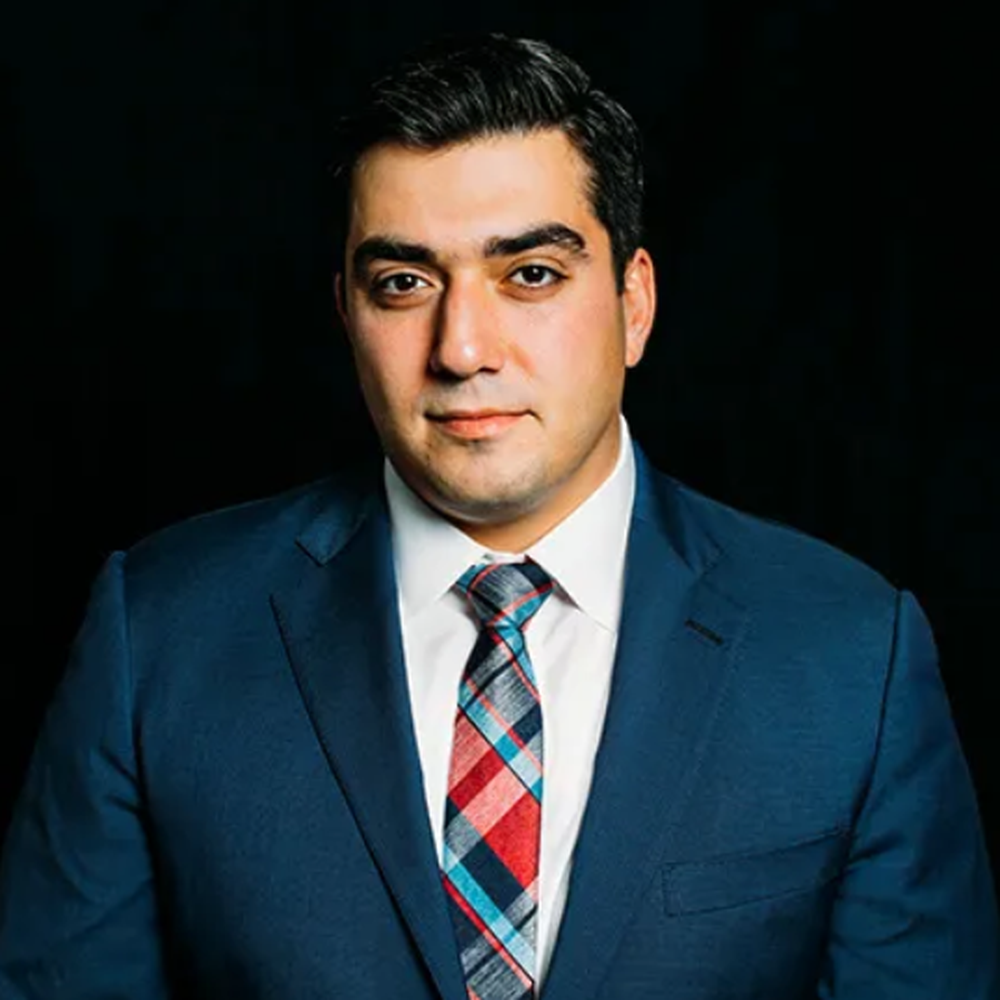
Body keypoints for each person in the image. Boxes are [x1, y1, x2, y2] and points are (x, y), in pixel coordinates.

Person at [0, 32, 996, 1000]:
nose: (462, 348)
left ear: (634, 303)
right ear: (346, 313)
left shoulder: (850, 658)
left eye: (530, 275)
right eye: (404, 284)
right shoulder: (158, 635)